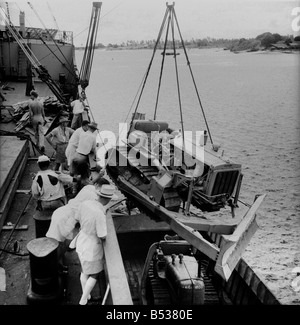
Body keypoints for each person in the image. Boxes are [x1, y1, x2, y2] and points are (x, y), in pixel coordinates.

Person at [46, 177, 110, 269]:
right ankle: (54, 266)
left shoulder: (88, 187)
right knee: (61, 244)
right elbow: (99, 205)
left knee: (60, 242)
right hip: (66, 218)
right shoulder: (93, 195)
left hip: (62, 213)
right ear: (97, 186)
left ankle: (58, 263)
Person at [70, 184, 117, 305]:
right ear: (108, 199)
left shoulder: (84, 204)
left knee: (84, 270)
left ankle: (87, 295)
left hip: (81, 241)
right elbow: (102, 235)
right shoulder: (99, 213)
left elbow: (77, 218)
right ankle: (83, 299)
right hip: (92, 247)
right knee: (95, 273)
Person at [31, 155, 76, 237]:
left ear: (39, 165)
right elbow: (71, 180)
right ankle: (65, 239)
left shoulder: (36, 178)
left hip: (45, 204)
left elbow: (35, 194)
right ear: (49, 164)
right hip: (58, 203)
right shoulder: (56, 174)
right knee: (65, 221)